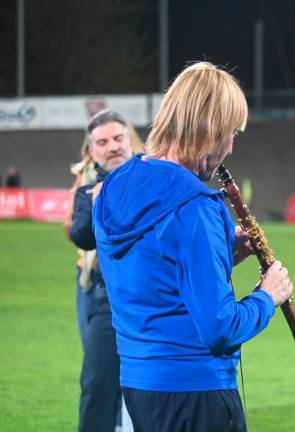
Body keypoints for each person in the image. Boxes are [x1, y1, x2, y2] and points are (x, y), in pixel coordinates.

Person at [93, 62, 294, 432]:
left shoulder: (112, 187)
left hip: (139, 386)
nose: (231, 145)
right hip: (197, 392)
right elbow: (221, 328)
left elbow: (153, 278)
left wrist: (220, 255)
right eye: (231, 132)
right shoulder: (195, 206)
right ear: (210, 129)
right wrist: (269, 296)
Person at [64, 109, 142, 432]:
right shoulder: (87, 193)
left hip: (156, 304)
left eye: (118, 138)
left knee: (158, 392)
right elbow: (80, 233)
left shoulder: (157, 181)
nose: (112, 146)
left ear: (130, 141)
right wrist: (100, 203)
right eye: (102, 142)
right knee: (97, 386)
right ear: (92, 151)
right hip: (106, 303)